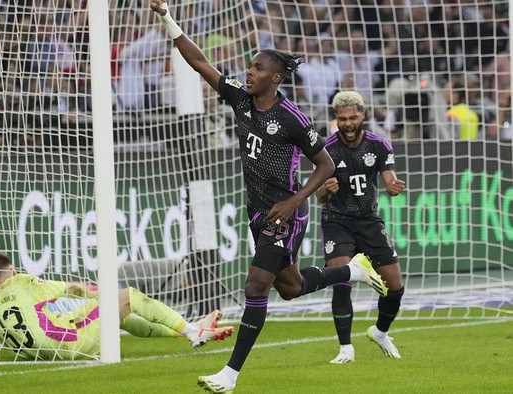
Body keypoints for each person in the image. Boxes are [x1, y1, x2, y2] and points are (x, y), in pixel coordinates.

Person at [149, 2, 388, 392]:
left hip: (285, 214)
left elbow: (326, 166)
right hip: (257, 211)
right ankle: (353, 271)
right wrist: (167, 18)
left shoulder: (293, 117)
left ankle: (230, 375)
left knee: (255, 286)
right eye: (250, 66)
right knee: (289, 288)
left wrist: (295, 202)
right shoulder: (240, 99)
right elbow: (198, 62)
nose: (249, 71)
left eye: (258, 68)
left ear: (275, 78)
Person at [0, 252, 234, 361]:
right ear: (13, 270)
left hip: (49, 353)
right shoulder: (22, 282)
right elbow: (71, 290)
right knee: (126, 297)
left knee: (117, 315)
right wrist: (102, 295)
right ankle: (191, 330)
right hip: (73, 344)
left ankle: (189, 329)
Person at [315, 91, 406, 364]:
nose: (348, 123)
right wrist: (325, 190)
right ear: (336, 119)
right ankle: (345, 347)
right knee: (341, 281)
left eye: (353, 117)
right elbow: (317, 192)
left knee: (395, 286)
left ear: (363, 115)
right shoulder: (325, 148)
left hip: (368, 220)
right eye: (342, 119)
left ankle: (380, 332)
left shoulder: (379, 145)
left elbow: (390, 178)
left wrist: (392, 186)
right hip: (337, 221)